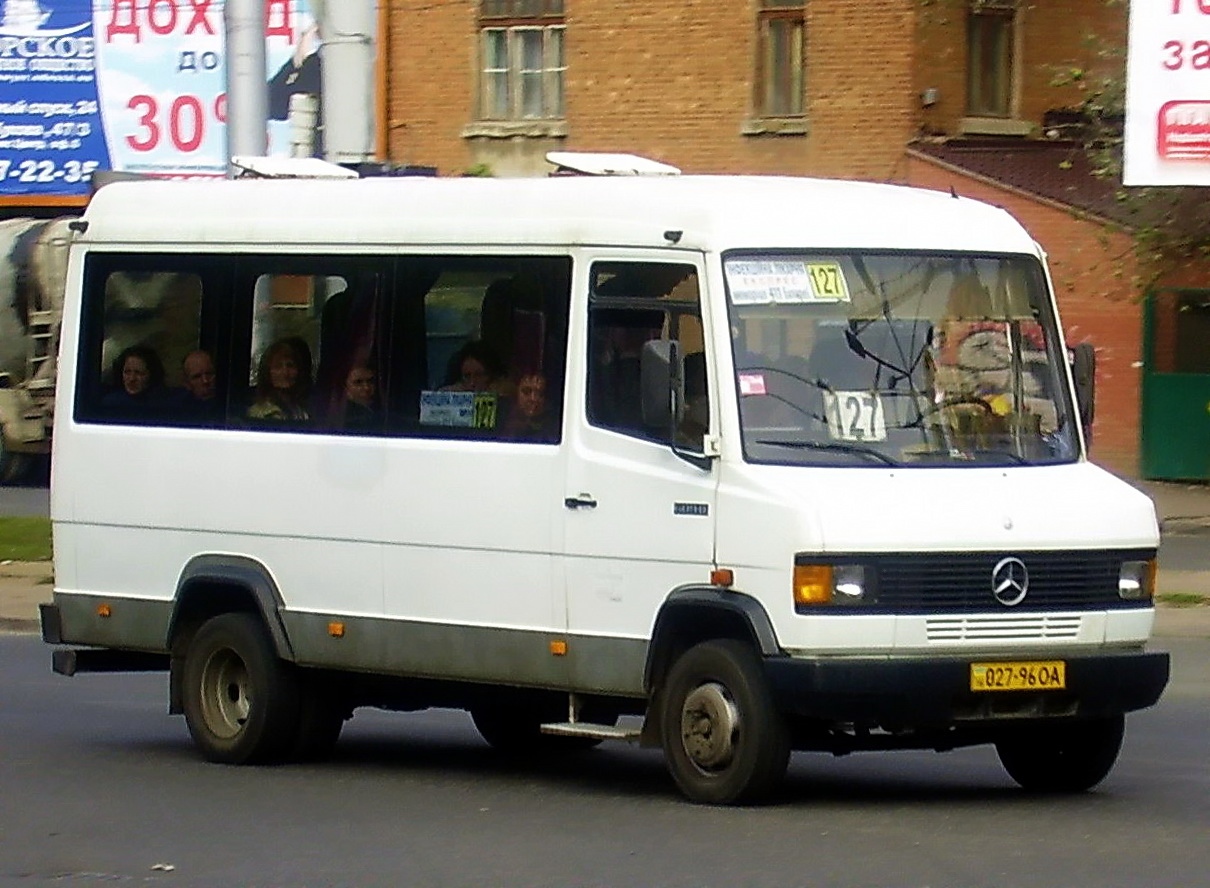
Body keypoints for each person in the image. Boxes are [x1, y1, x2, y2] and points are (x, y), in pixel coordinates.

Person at [248, 338, 312, 423]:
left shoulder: (300, 411)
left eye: (290, 365)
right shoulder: (259, 413)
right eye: (278, 366)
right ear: (268, 373)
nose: (285, 372)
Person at [101, 345, 165, 413]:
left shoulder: (162, 404)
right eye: (127, 372)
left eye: (139, 373)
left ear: (152, 375)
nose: (132, 379)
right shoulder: (110, 402)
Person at [502, 371, 557, 441]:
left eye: (540, 394)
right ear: (516, 393)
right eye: (526, 392)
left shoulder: (554, 430)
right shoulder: (503, 421)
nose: (533, 399)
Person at [440, 340, 510, 394]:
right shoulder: (453, 391)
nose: (472, 383)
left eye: (479, 375)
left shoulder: (505, 394)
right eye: (467, 376)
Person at [174, 349, 222, 424]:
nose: (205, 381)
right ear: (187, 383)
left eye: (209, 373)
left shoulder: (230, 404)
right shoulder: (180, 413)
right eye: (197, 377)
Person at [341, 363, 380, 431]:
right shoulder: (345, 418)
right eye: (358, 382)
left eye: (370, 381)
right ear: (345, 387)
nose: (366, 388)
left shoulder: (381, 412)